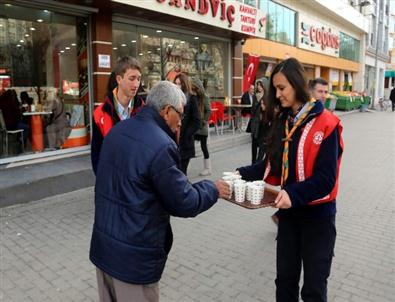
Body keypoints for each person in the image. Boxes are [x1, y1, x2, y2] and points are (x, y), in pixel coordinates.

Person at [89, 81, 231, 302]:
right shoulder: (160, 145)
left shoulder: (118, 131)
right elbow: (184, 201)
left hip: (105, 251)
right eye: (180, 115)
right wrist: (212, 189)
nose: (181, 122)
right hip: (133, 262)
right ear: (166, 111)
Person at [236, 58, 344, 302]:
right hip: (289, 219)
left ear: (297, 85)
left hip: (318, 219)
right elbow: (269, 165)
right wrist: (238, 174)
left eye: (282, 88)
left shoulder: (328, 124)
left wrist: (292, 195)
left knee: (314, 290)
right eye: (275, 88)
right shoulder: (284, 122)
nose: (277, 94)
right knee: (284, 283)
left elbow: (326, 179)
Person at [91, 56, 144, 175]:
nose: (136, 84)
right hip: (112, 180)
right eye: (132, 79)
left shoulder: (145, 111)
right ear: (119, 79)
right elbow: (96, 153)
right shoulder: (100, 113)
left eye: (139, 79)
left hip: (138, 180)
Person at [174, 73, 200, 175]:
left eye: (179, 84)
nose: (177, 86)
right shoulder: (171, 98)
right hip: (173, 141)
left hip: (185, 142)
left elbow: (197, 121)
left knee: (182, 172)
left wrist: (186, 135)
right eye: (175, 83)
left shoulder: (191, 98)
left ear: (184, 85)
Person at [192, 77, 212, 176]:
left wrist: (204, 121)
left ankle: (207, 168)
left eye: (194, 87)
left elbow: (209, 110)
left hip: (202, 127)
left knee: (204, 147)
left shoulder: (205, 97)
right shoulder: (193, 96)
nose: (192, 89)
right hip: (194, 126)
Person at [249, 79, 270, 164]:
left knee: (262, 145)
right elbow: (252, 110)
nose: (259, 87)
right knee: (254, 144)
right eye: (257, 85)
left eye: (260, 85)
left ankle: (258, 163)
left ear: (264, 86)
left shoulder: (267, 96)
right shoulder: (255, 96)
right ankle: (253, 163)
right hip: (255, 123)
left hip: (263, 123)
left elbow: (267, 110)